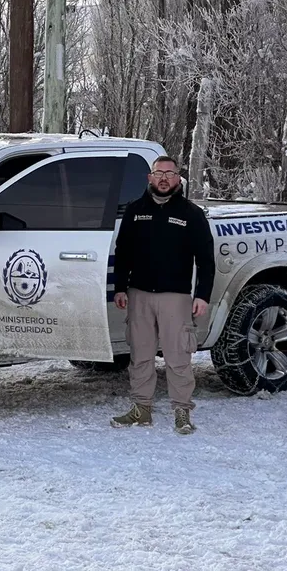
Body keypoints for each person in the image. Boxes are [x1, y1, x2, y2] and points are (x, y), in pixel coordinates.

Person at [110, 155, 215, 435]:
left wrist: (202, 295)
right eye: (159, 173)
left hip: (175, 297)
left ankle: (182, 411)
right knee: (140, 355)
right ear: (150, 177)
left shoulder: (191, 213)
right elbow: (123, 253)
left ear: (178, 178)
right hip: (139, 295)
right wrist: (120, 288)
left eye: (170, 173)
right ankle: (141, 409)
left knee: (178, 357)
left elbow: (206, 259)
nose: (164, 178)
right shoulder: (135, 211)